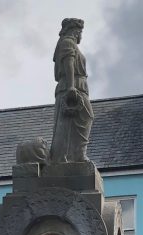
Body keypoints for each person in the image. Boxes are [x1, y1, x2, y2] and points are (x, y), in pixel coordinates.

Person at [49, 18, 93, 163]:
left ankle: (74, 155)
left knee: (74, 121)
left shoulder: (70, 43)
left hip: (77, 85)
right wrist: (71, 86)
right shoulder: (67, 42)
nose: (81, 35)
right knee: (81, 118)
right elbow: (69, 63)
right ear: (76, 31)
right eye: (81, 32)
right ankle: (70, 156)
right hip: (72, 86)